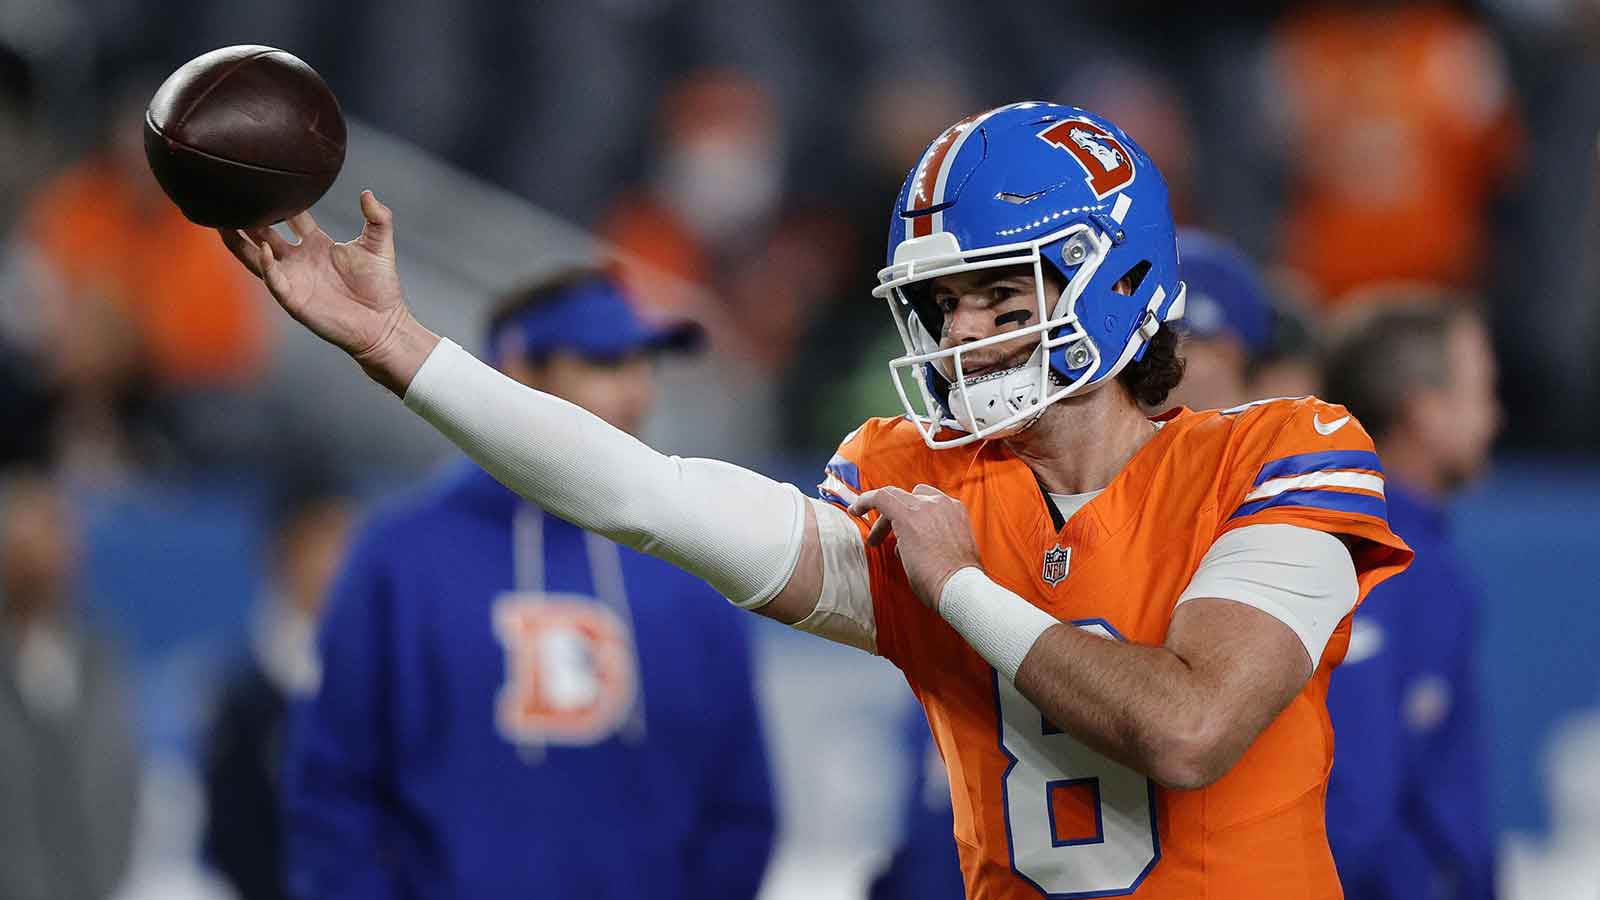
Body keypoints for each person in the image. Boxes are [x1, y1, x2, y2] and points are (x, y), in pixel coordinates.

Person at [218, 101, 1412, 897]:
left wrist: (958, 588)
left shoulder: (1280, 450)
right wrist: (400, 347)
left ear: (1115, 277)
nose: (962, 333)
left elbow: (1189, 729)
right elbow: (649, 495)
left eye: (998, 295)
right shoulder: (921, 479)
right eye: (941, 304)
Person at [279, 269, 776, 900]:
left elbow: (739, 804)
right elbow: (332, 793)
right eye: (604, 362)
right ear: (517, 371)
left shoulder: (694, 557)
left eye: (645, 363)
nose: (636, 390)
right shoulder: (398, 559)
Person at [1320, 299, 1501, 899]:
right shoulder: (1376, 551)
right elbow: (1352, 804)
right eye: (1481, 392)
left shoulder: (1416, 550)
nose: (1495, 417)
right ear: (1424, 411)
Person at [201, 485, 355, 900]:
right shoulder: (245, 694)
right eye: (320, 544)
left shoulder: (377, 675)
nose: (335, 563)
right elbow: (227, 836)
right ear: (284, 554)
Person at [0, 470, 140, 900]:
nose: (50, 553)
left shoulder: (100, 659)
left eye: (58, 531)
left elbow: (117, 785)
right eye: (31, 535)